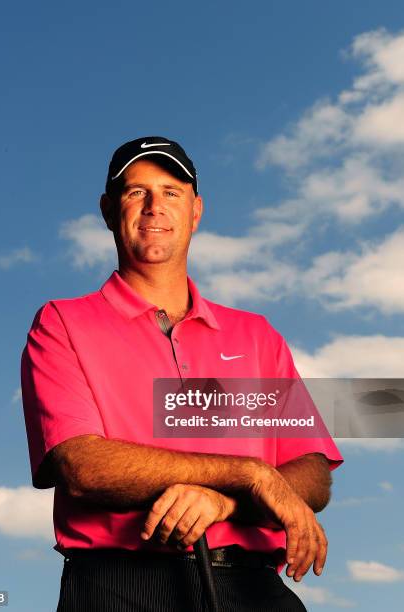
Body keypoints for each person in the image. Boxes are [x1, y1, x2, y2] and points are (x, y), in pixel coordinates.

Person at [21, 136, 343, 612]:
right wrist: (249, 474)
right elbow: (81, 466)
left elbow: (312, 473)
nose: (155, 206)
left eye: (171, 192)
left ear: (196, 210)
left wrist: (226, 501)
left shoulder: (256, 336)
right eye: (136, 192)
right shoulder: (63, 322)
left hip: (255, 587)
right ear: (109, 211)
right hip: (122, 585)